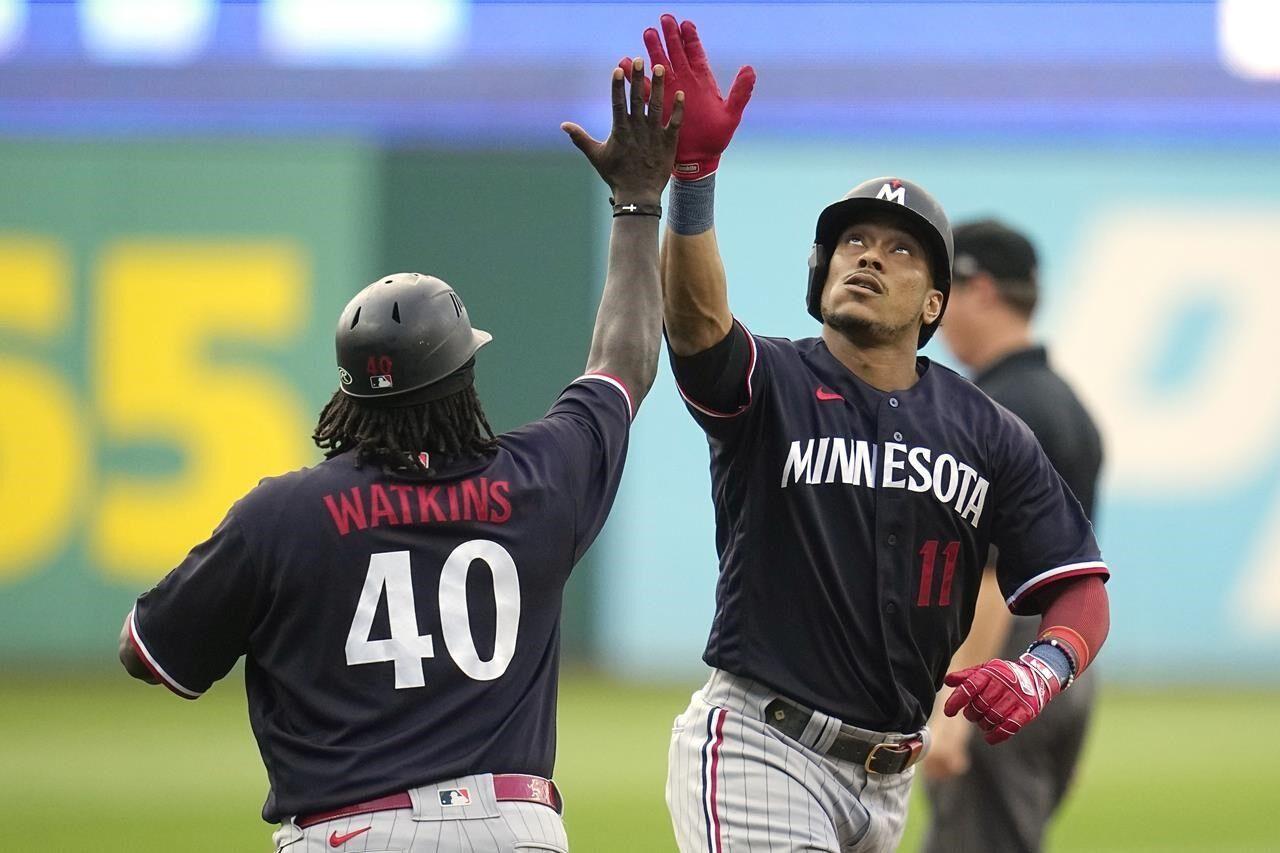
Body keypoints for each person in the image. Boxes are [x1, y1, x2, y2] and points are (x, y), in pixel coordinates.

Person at [117, 60, 684, 852]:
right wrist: (638, 201)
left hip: (352, 828)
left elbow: (147, 651)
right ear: (465, 378)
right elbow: (623, 361)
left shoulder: (282, 516)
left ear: (348, 395)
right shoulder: (540, 476)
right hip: (515, 825)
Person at [625, 15, 1112, 852]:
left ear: (935, 303)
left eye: (900, 249)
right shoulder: (771, 381)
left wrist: (1041, 668)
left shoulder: (984, 428)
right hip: (762, 747)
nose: (869, 255)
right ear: (821, 275)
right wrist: (695, 181)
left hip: (888, 777)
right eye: (853, 239)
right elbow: (697, 326)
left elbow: (1079, 587)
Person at [922, 219, 1104, 853]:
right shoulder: (1068, 403)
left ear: (983, 291)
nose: (936, 312)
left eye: (947, 289)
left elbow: (995, 575)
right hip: (1057, 672)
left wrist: (957, 715)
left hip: (1001, 667)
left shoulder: (996, 410)